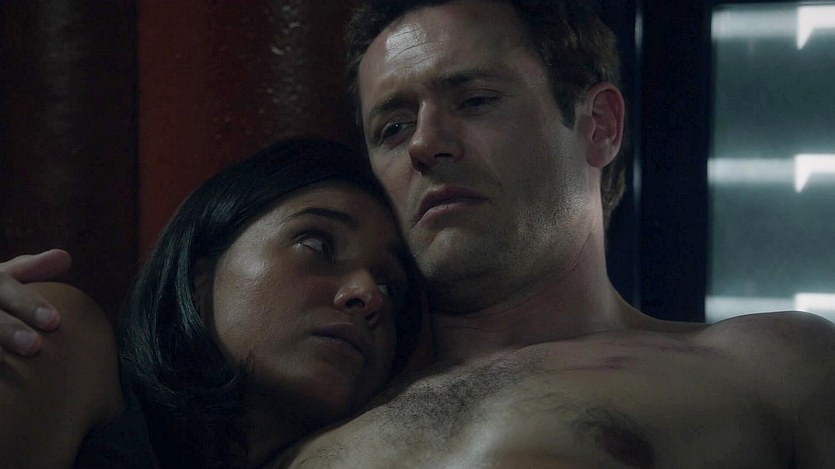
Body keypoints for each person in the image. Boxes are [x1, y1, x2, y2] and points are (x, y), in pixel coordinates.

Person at [4, 0, 835, 467]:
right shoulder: (299, 401)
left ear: (599, 125)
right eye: (392, 126)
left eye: (474, 100)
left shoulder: (763, 364)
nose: (426, 143)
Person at [0, 137, 423, 469]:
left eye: (390, 287)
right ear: (200, 275)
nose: (368, 294)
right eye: (317, 244)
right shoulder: (59, 338)